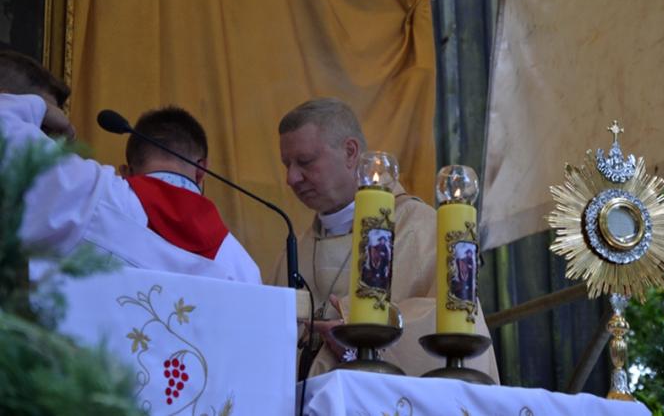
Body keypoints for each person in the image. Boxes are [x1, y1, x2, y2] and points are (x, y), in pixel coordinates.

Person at [274, 97, 499, 379]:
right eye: (287, 164)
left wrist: (359, 339)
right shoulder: (293, 251)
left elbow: (456, 321)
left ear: (350, 152)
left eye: (305, 162)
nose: (292, 178)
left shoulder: (421, 228)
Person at [0, 50, 261, 283]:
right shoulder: (241, 266)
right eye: (45, 129)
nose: (53, 143)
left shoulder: (92, 195)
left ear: (125, 171)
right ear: (202, 170)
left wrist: (40, 110)